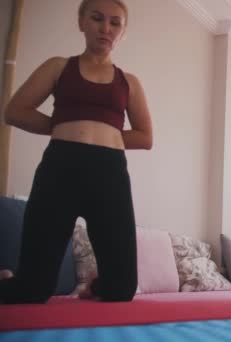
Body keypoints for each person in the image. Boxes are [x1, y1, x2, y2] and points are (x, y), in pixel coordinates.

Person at [0, 0, 153, 303]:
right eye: (97, 18)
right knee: (32, 290)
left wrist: (101, 133)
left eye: (115, 22)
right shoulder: (59, 66)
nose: (105, 28)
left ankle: (91, 288)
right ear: (81, 22)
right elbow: (15, 110)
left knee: (121, 290)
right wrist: (65, 127)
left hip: (110, 174)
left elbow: (145, 137)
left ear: (122, 31)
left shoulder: (129, 82)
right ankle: (8, 277)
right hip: (61, 168)